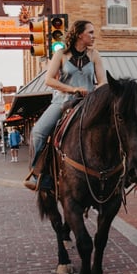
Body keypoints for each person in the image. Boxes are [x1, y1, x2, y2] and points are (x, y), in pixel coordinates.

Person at [23, 20, 106, 190]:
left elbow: (102, 81)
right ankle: (36, 174)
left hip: (89, 103)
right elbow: (49, 80)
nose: (93, 36)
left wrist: (98, 93)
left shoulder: (94, 55)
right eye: (90, 32)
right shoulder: (61, 54)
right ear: (79, 34)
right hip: (62, 101)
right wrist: (73, 89)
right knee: (38, 132)